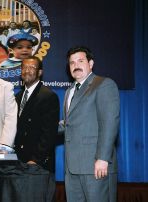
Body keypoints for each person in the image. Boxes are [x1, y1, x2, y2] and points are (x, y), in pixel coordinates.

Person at [62, 46, 120, 202]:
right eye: (72, 63)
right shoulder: (69, 92)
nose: (76, 65)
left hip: (95, 166)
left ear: (91, 63)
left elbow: (109, 124)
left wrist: (102, 159)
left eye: (80, 61)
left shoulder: (103, 84)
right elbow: (69, 124)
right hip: (72, 168)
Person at [14, 56, 59, 201]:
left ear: (40, 72)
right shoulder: (18, 96)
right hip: (19, 164)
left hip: (38, 165)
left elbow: (49, 134)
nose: (27, 71)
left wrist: (35, 160)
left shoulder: (48, 96)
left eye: (32, 68)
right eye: (24, 67)